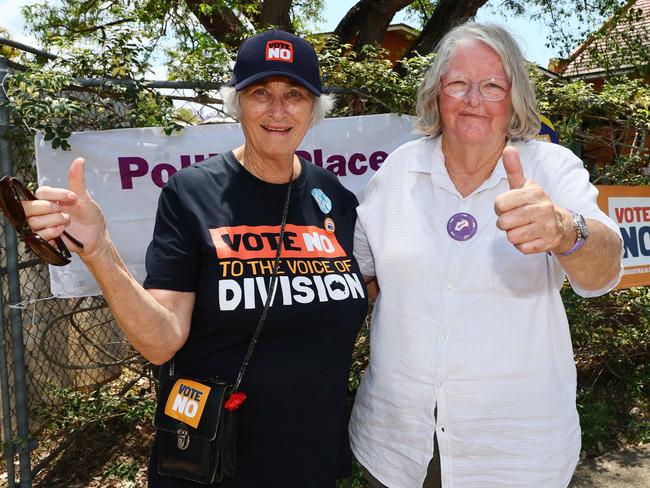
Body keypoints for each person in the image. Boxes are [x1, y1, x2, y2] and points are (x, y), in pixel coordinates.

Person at [23, 30, 368, 487]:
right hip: (212, 458)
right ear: (238, 103)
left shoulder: (333, 196)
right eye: (260, 92)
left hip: (311, 457)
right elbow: (161, 341)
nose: (278, 110)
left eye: (295, 94)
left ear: (314, 109)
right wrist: (101, 252)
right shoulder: (192, 192)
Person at [349, 22, 622, 488]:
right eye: (457, 83)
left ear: (513, 98)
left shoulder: (550, 168)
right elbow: (363, 277)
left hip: (513, 454)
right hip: (397, 447)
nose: (473, 98)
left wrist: (564, 231)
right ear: (437, 94)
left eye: (492, 85)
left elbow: (605, 268)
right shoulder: (397, 171)